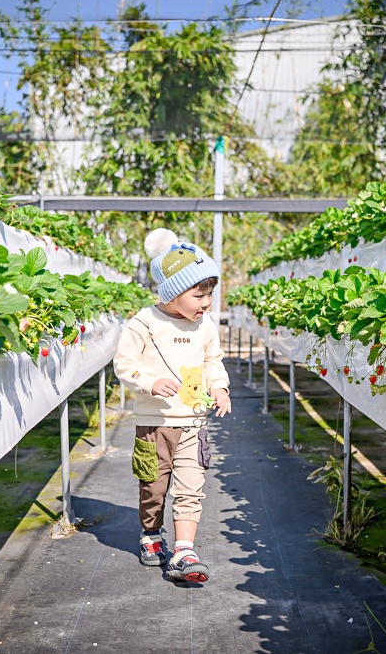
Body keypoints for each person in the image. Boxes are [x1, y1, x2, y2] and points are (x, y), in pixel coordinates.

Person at [113, 228, 232, 583]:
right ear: (173, 291)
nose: (207, 302)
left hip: (194, 422)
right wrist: (150, 382)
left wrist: (220, 387)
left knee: (192, 485)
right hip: (153, 425)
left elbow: (214, 361)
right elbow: (124, 363)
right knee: (153, 486)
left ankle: (184, 550)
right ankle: (151, 536)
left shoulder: (205, 325)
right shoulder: (145, 323)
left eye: (209, 294)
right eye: (199, 295)